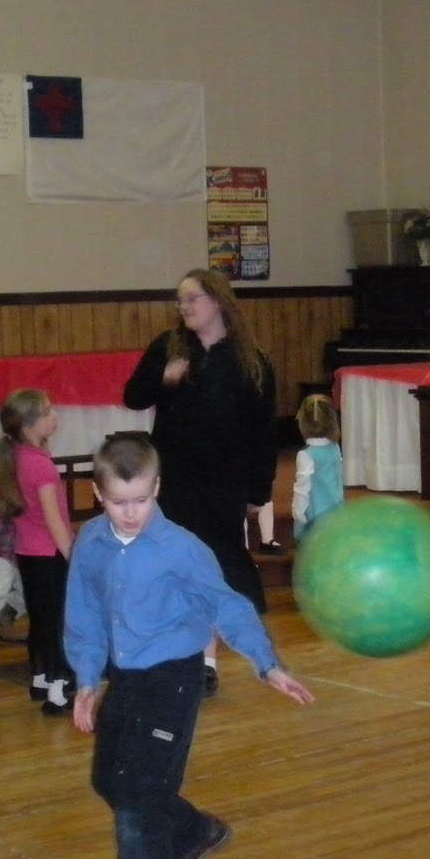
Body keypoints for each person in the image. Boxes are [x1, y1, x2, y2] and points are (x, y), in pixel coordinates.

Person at [65, 434, 314, 859]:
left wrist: (266, 664)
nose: (131, 512)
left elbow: (230, 606)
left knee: (139, 793)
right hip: (126, 677)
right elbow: (85, 614)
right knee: (109, 781)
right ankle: (193, 831)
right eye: (118, 501)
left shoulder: (182, 549)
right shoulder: (91, 543)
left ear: (157, 488)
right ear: (97, 492)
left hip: (174, 678)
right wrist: (87, 679)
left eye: (141, 500)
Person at [123, 268, 278, 697]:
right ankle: (180, 655)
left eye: (192, 299)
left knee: (212, 572)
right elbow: (133, 396)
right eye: (180, 301)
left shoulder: (252, 359)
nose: (184, 307)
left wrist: (258, 491)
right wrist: (163, 381)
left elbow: (263, 431)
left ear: (217, 301)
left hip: (224, 482)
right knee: (175, 570)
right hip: (174, 479)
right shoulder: (168, 348)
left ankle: (206, 662)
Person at [0, 388, 77, 715]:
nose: (55, 415)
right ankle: (58, 691)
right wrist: (73, 556)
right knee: (56, 622)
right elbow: (54, 520)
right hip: (49, 553)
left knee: (40, 619)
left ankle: (41, 677)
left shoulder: (16, 457)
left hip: (28, 553)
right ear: (30, 424)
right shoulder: (40, 467)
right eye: (48, 412)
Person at [0, 437, 28, 642]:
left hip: (24, 545)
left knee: (28, 590)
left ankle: (4, 617)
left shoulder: (26, 479)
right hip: (2, 546)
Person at [291, 392, 343, 541]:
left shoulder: (306, 455)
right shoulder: (334, 448)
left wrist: (298, 514)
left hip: (313, 521)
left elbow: (302, 489)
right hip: (336, 515)